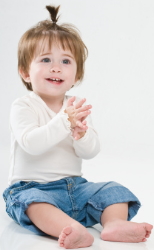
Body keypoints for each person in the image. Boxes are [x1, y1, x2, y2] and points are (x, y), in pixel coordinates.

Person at [3, 5, 153, 249]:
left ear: (77, 75)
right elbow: (31, 143)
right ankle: (70, 229)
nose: (56, 67)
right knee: (32, 204)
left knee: (114, 190)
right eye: (45, 60)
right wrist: (64, 121)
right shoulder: (24, 106)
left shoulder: (76, 107)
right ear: (25, 72)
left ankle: (114, 223)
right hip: (32, 187)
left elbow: (90, 151)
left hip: (75, 187)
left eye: (65, 61)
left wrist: (81, 134)